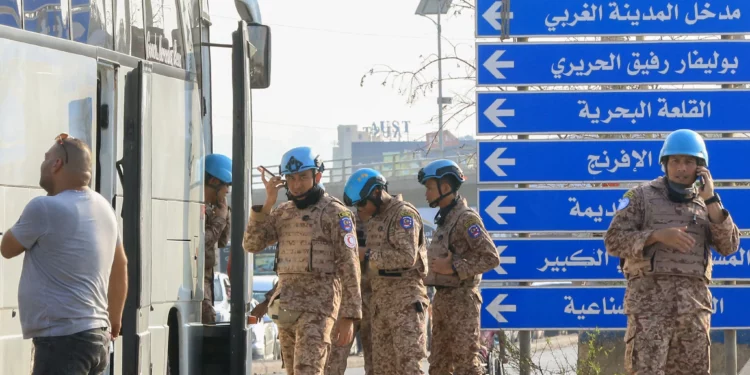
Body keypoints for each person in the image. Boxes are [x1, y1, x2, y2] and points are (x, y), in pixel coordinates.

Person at [604, 129, 740, 374]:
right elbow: (613, 241)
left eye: (689, 162)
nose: (681, 168)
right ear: (664, 164)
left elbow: (729, 246)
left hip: (693, 315)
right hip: (649, 314)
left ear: (700, 168)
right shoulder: (640, 197)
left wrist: (711, 200)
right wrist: (655, 236)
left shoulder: (707, 205)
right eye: (675, 161)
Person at [0, 133, 128, 374]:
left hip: (63, 340)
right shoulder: (105, 209)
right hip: (97, 338)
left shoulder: (44, 207)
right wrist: (115, 319)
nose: (43, 164)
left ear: (57, 164)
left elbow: (7, 248)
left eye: (46, 158)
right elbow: (120, 265)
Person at [243, 146, 362, 375]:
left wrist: (349, 316)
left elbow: (350, 265)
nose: (296, 185)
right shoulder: (282, 212)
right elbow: (252, 244)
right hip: (286, 306)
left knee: (308, 370)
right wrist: (268, 202)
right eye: (291, 178)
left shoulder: (336, 213)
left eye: (303, 177)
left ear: (317, 176)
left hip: (319, 306)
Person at [342, 168, 429, 374]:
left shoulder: (403, 214)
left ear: (376, 193)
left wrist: (367, 254)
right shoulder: (375, 219)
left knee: (408, 367)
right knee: (380, 369)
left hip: (405, 303)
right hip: (380, 305)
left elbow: (406, 256)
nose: (359, 209)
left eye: (362, 203)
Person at [417, 159, 500, 375]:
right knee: (438, 366)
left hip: (462, 301)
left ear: (445, 188)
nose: (426, 194)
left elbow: (491, 258)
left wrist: (454, 267)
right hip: (443, 300)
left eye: (429, 188)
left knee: (466, 366)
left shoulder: (466, 219)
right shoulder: (445, 220)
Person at [325, 213, 373, 375]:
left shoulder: (391, 221)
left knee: (379, 365)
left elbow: (405, 256)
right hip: (346, 302)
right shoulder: (345, 220)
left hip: (378, 302)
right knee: (331, 363)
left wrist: (366, 254)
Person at [203, 153, 232, 324]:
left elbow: (221, 241)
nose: (227, 191)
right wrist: (219, 220)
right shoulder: (196, 208)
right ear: (214, 182)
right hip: (195, 280)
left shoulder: (213, 209)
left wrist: (224, 213)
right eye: (225, 186)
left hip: (207, 278)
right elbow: (201, 242)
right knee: (207, 319)